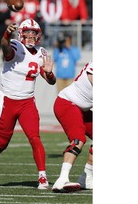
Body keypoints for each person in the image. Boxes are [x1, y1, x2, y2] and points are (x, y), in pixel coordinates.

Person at [0, 18, 56, 190]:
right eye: (28, 33)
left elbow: (51, 81)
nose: (31, 37)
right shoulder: (15, 46)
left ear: (38, 35)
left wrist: (50, 73)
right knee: (1, 143)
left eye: (34, 34)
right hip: (8, 101)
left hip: (27, 102)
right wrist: (6, 34)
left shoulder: (42, 53)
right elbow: (5, 48)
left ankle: (42, 177)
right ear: (21, 34)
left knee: (34, 138)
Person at [52, 61, 93, 193]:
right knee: (78, 139)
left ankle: (87, 178)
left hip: (82, 108)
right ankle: (62, 179)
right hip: (67, 103)